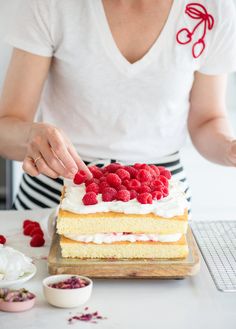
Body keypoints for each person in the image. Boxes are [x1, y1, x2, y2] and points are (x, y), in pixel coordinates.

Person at [0, 0, 236, 211]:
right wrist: (33, 136)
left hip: (159, 202)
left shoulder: (214, 9)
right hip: (54, 198)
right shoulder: (49, 4)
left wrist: (229, 149)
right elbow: (6, 131)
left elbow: (207, 119)